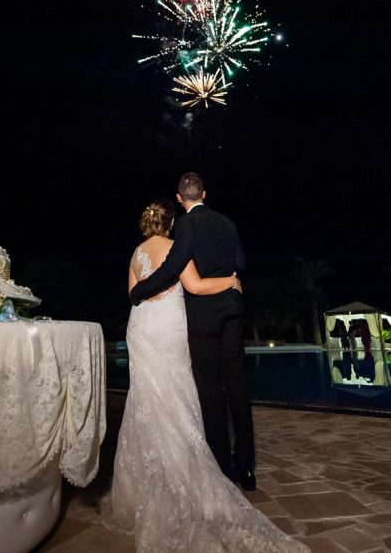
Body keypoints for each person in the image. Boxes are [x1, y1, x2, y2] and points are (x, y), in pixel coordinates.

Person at [104, 197, 307, 552]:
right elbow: (196, 286)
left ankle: (147, 484)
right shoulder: (174, 246)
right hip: (168, 326)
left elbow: (133, 295)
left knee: (147, 398)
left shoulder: (136, 253)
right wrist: (230, 281)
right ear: (171, 224)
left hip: (140, 329)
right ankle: (189, 470)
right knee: (179, 393)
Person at [128, 172, 255, 489]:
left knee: (210, 389)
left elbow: (173, 267)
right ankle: (247, 470)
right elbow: (241, 261)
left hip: (205, 316)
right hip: (233, 309)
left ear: (182, 199)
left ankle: (223, 470)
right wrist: (230, 279)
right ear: (205, 194)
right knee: (237, 387)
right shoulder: (227, 223)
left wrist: (139, 292)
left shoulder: (186, 225)